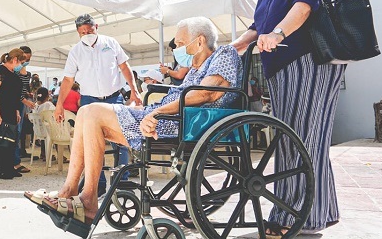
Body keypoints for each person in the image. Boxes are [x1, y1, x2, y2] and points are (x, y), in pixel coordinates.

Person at [25, 17, 242, 227]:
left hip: (177, 123)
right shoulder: (194, 69)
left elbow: (206, 93)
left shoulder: (224, 53)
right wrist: (147, 109)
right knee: (85, 112)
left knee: (91, 112)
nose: (176, 48)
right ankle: (69, 192)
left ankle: (87, 201)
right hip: (166, 117)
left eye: (181, 43)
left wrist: (156, 112)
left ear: (200, 41)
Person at [230, 0, 345, 235]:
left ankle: (297, 217)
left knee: (304, 139)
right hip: (280, 71)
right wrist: (236, 45)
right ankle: (319, 210)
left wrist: (278, 33)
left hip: (311, 62)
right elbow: (258, 26)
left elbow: (305, 6)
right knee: (294, 139)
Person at [54, 14, 142, 196]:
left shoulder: (110, 43)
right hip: (89, 100)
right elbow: (68, 80)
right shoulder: (75, 52)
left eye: (89, 30)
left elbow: (124, 67)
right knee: (93, 144)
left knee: (121, 140)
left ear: (97, 26)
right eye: (82, 32)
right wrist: (59, 104)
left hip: (114, 97)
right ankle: (98, 184)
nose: (87, 34)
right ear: (78, 33)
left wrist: (134, 90)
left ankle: (121, 182)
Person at [0, 49, 26, 179]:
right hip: (1, 109)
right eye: (22, 62)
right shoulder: (0, 71)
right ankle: (1, 170)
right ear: (15, 60)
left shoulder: (13, 74)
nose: (22, 65)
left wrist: (16, 110)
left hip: (11, 110)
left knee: (11, 139)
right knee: (1, 141)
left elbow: (14, 95)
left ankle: (9, 167)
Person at [14, 46, 36, 172]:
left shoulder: (24, 70)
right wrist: (25, 100)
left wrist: (26, 95)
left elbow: (21, 88)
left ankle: (16, 160)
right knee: (16, 131)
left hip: (21, 102)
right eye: (25, 59)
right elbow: (16, 89)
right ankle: (15, 162)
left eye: (28, 59)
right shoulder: (16, 70)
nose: (27, 61)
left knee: (18, 131)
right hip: (17, 103)